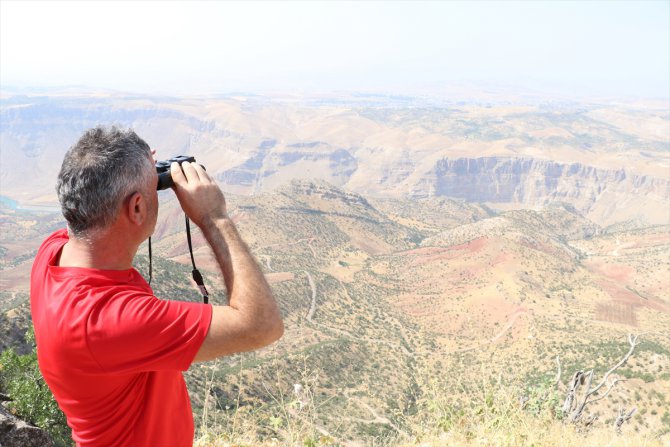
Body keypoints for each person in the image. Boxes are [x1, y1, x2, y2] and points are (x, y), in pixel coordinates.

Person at [30, 126, 284, 446]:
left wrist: (136, 171)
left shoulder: (52, 254)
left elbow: (95, 208)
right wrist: (213, 217)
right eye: (153, 191)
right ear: (136, 208)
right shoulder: (108, 322)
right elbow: (262, 325)